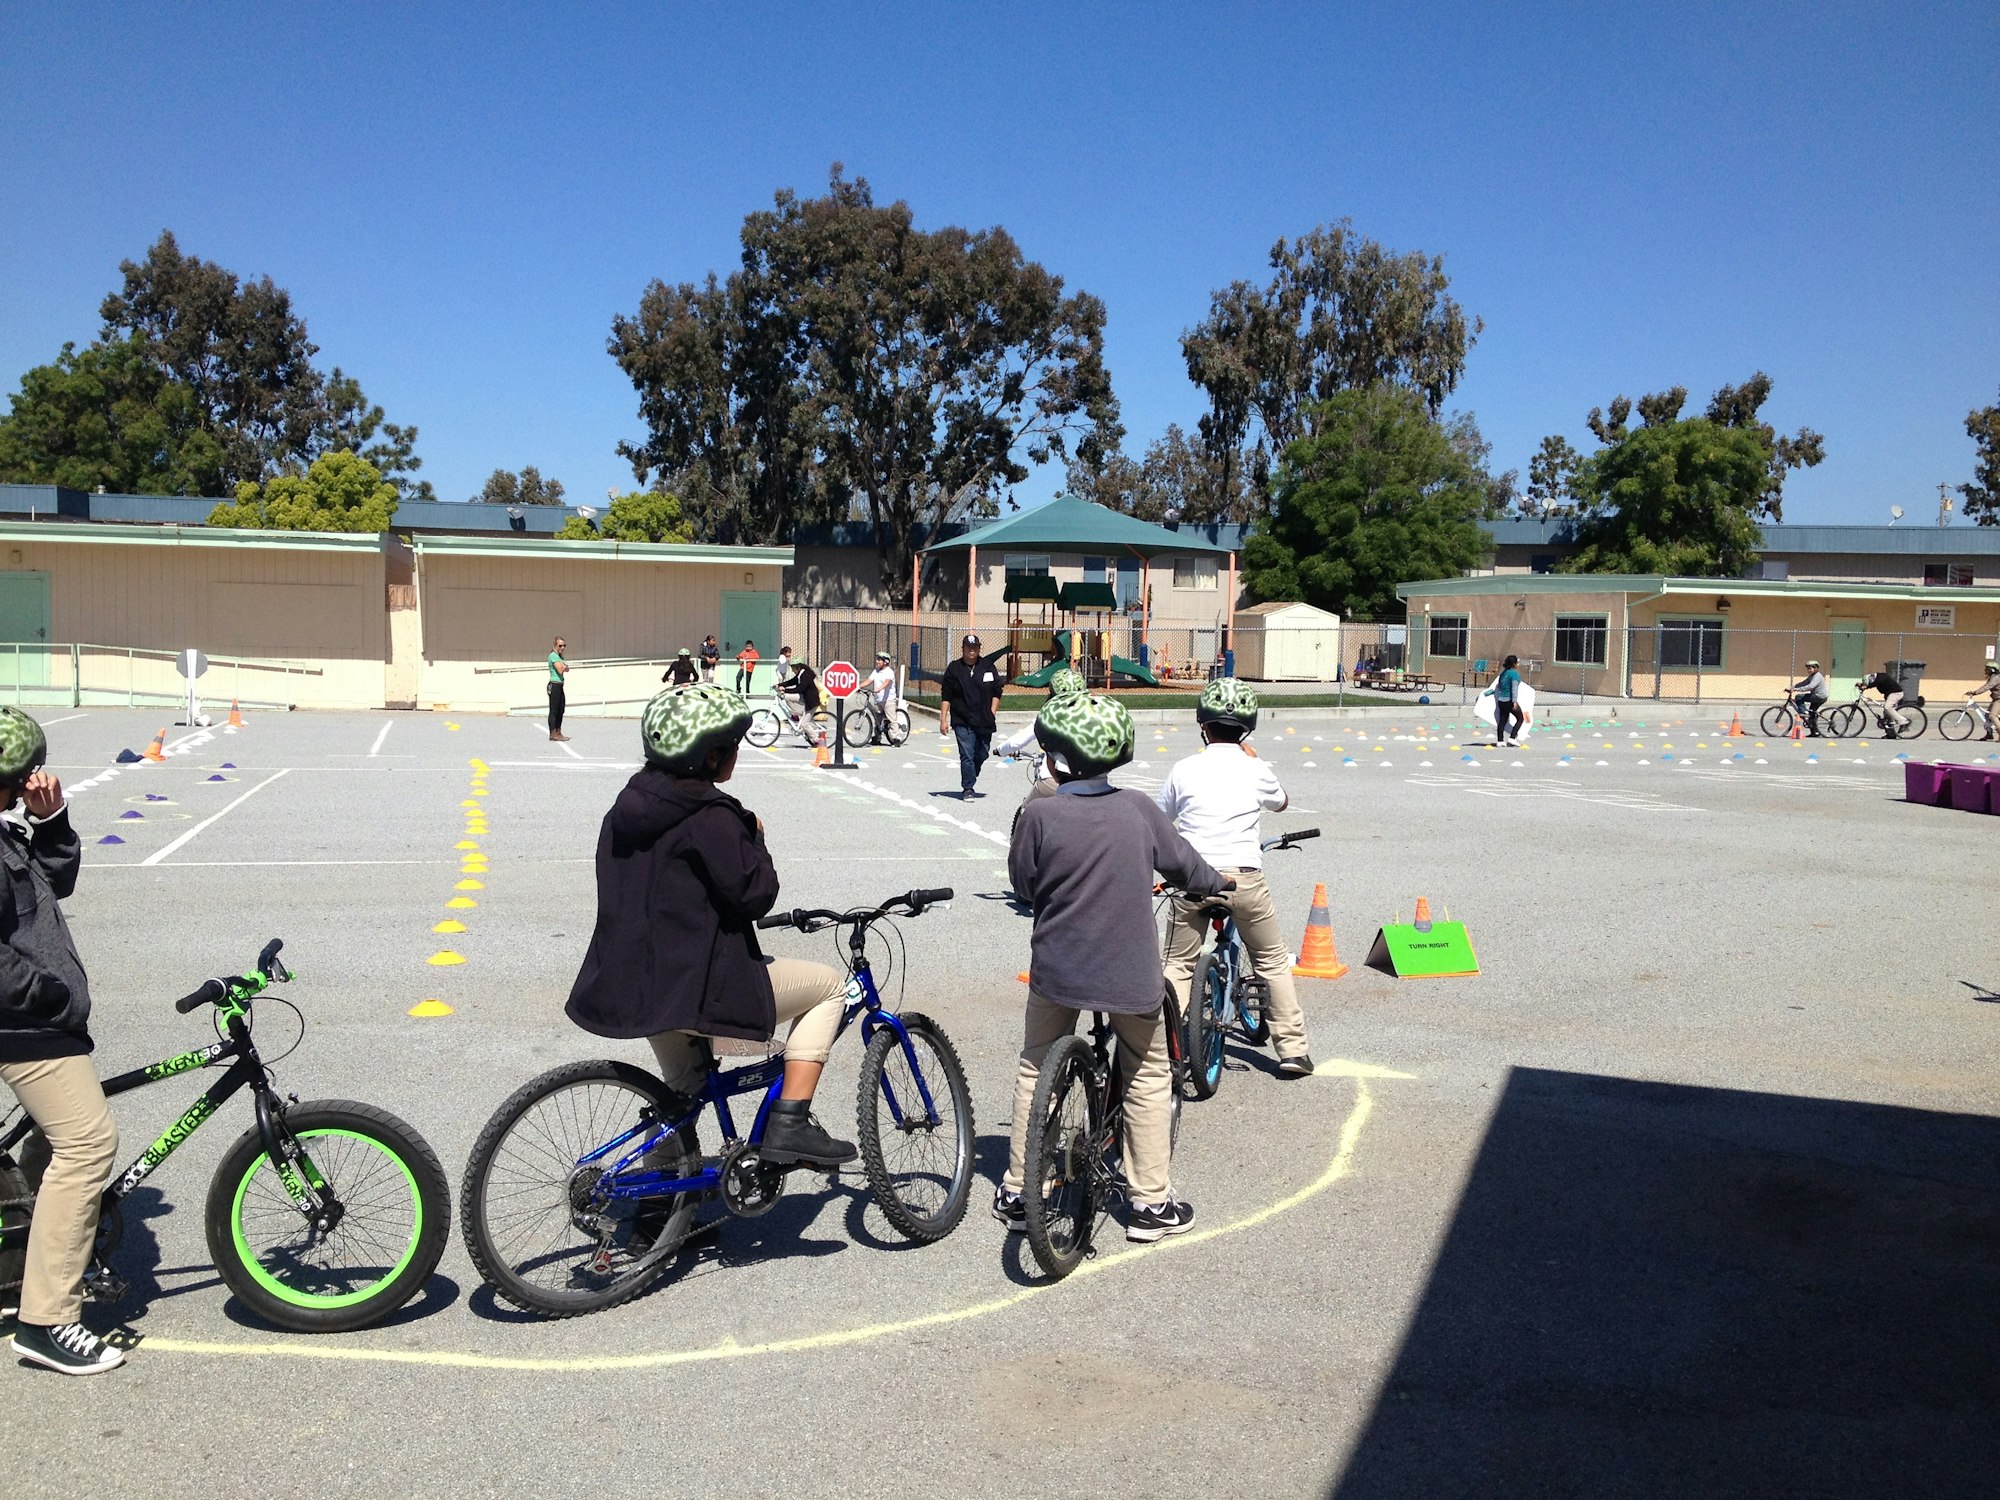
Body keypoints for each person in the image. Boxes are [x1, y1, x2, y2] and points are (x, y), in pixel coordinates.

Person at [566, 685, 855, 1169]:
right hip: (695, 984)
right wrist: (755, 839)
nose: (736, 755)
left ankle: (660, 1213)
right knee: (830, 988)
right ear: (711, 754)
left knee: (683, 1093)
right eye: (733, 747)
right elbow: (756, 896)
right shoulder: (710, 816)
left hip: (637, 982)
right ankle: (791, 1122)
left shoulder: (627, 807)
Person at [998, 692, 1230, 1242]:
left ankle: (1016, 1185)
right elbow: (1187, 866)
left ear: (1052, 757)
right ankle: (1151, 1203)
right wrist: (1218, 883)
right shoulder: (1138, 810)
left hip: (1057, 967)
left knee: (1036, 1064)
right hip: (1128, 973)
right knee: (1148, 1069)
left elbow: (1024, 885)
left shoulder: (1039, 813)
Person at [0, 708, 125, 1375]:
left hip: (35, 1019)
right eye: (26, 778)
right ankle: (46, 1320)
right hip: (24, 1025)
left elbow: (58, 881)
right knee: (87, 1144)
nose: (33, 784)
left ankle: (22, 1254)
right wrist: (48, 994)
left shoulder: (8, 828)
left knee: (51, 1144)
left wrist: (51, 823)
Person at [1157, 679, 1315, 1078]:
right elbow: (1281, 803)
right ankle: (1293, 1050)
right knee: (1272, 961)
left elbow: (1162, 819)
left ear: (1202, 724)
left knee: (1177, 963)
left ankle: (1165, 1050)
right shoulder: (1255, 767)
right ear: (1247, 727)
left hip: (1192, 877)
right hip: (1242, 879)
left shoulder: (1184, 768)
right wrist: (1253, 759)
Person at [994, 666, 1087, 823]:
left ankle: (1021, 845)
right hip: (1087, 780)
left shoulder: (1048, 716)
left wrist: (1000, 750)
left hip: (1053, 780)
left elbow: (1018, 741)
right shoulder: (1091, 716)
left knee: (1026, 814)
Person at [939, 633, 1007, 799]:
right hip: (962, 720)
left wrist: (992, 711)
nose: (971, 650)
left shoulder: (987, 666)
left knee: (982, 753)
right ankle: (968, 788)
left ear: (979, 648)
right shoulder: (954, 669)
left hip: (984, 719)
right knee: (967, 754)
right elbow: (946, 696)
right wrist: (943, 719)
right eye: (968, 647)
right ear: (963, 649)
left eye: (974, 647)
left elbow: (997, 691)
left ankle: (971, 773)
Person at [860, 651, 899, 741]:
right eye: (877, 660)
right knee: (877, 720)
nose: (877, 662)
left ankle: (896, 738)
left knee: (891, 719)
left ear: (885, 662)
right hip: (878, 699)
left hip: (888, 700)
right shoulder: (876, 671)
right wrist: (858, 686)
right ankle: (877, 737)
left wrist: (879, 689)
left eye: (879, 660)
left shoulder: (889, 672)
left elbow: (887, 682)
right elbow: (869, 680)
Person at [1860, 668, 1905, 737]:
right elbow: (1873, 683)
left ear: (1871, 679)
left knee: (1887, 707)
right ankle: (1891, 735)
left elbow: (1876, 682)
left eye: (1870, 682)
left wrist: (1867, 687)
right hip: (1889, 694)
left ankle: (1903, 722)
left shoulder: (1881, 676)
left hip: (1896, 693)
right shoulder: (1875, 679)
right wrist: (1861, 685)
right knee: (1886, 715)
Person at [1788, 660, 1829, 736]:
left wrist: (1796, 690)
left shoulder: (1817, 676)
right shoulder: (1812, 676)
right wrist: (1792, 687)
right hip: (1817, 696)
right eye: (1808, 668)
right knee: (1812, 714)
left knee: (1799, 697)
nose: (1808, 670)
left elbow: (1810, 686)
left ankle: (1804, 712)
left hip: (1819, 696)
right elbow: (1804, 683)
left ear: (1816, 668)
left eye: (1810, 668)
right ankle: (1815, 733)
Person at [1492, 655, 1523, 747]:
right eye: (1517, 662)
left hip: (1501, 700)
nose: (1518, 664)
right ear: (1514, 664)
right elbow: (1514, 688)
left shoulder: (1503, 674)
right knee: (1520, 718)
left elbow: (1499, 687)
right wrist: (1514, 702)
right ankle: (1512, 738)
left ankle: (1500, 740)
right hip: (1509, 700)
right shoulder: (1514, 674)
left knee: (1502, 720)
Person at [547, 636, 570, 742]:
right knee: (554, 710)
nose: (562, 648)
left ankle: (558, 732)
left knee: (561, 709)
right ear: (555, 645)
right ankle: (553, 733)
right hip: (554, 685)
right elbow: (561, 670)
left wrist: (564, 667)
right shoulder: (553, 656)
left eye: (564, 645)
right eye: (560, 645)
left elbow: (567, 669)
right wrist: (564, 667)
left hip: (560, 685)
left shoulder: (560, 657)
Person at [1981, 663, 2000, 741]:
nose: (1985, 670)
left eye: (1987, 669)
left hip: (1999, 699)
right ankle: (1989, 734)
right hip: (1995, 699)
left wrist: (1975, 692)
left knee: (1992, 716)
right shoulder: (1992, 677)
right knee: (1987, 716)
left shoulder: (1996, 678)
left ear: (1992, 670)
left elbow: (1987, 686)